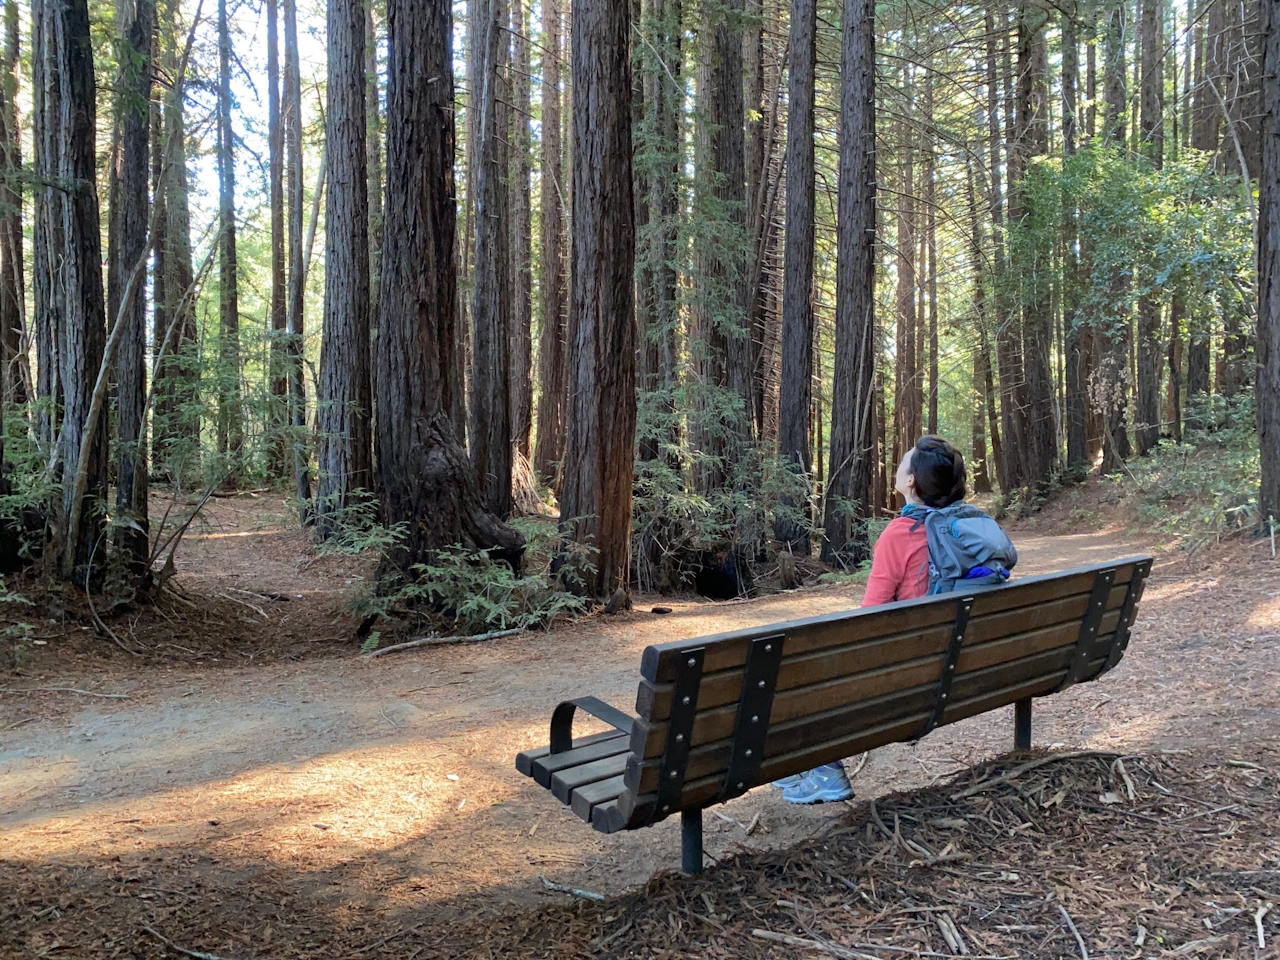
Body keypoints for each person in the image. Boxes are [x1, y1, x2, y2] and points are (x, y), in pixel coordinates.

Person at [778, 435, 1012, 804]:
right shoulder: (971, 530)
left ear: (911, 483)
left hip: (906, 678)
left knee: (807, 662)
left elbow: (869, 618)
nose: (898, 467)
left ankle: (824, 772)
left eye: (904, 463)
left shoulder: (899, 535)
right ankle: (809, 766)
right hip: (960, 670)